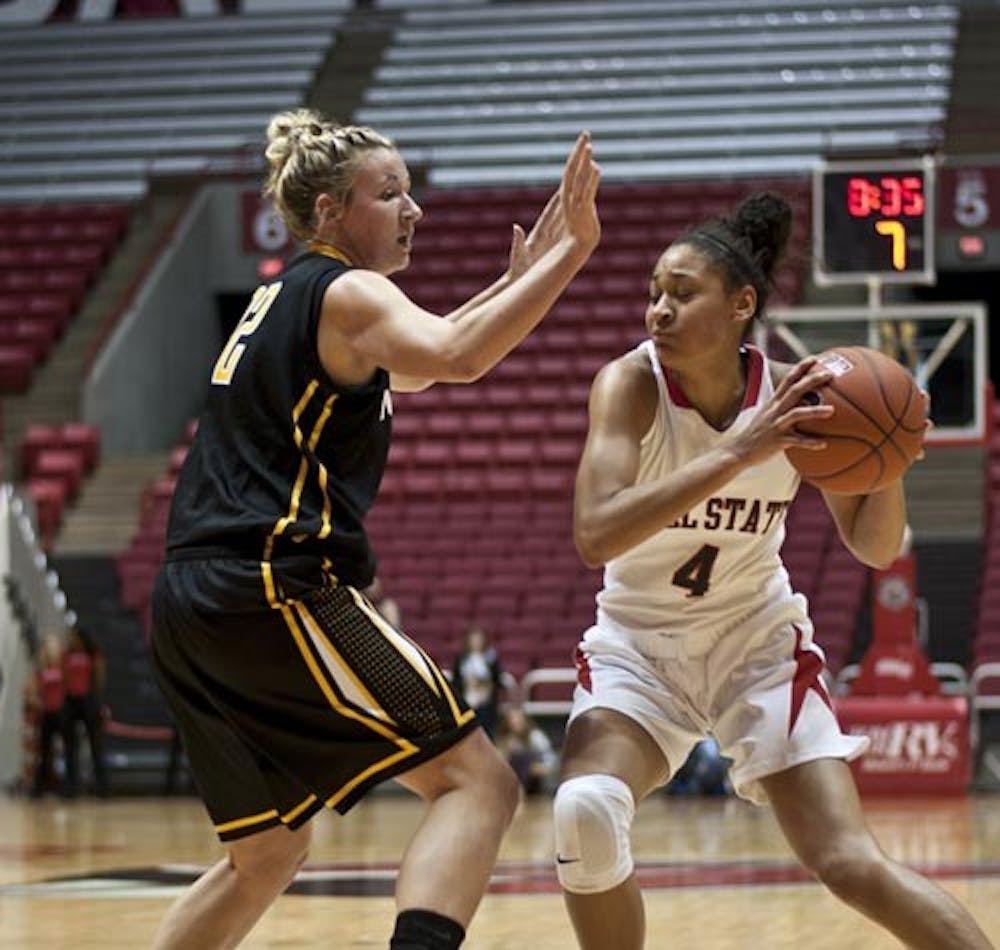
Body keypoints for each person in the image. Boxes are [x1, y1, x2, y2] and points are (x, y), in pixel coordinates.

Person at [149, 108, 600, 950]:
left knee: (267, 852)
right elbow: (458, 356)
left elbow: (425, 362)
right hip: (272, 583)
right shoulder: (349, 292)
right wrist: (571, 255)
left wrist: (518, 280)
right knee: (480, 785)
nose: (413, 209)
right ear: (327, 213)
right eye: (388, 192)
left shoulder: (282, 299)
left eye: (409, 190)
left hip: (189, 599)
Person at [553, 193, 992, 950]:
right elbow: (596, 533)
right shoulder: (629, 386)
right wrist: (737, 454)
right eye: (655, 291)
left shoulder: (801, 398)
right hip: (638, 645)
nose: (659, 309)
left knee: (849, 863)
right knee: (585, 811)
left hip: (754, 643)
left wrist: (885, 460)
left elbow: (876, 548)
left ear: (740, 305)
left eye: (682, 294)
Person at [62, 625, 110, 797]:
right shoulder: (66, 655)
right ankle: (71, 785)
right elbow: (63, 677)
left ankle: (102, 785)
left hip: (88, 700)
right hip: (70, 701)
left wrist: (98, 701)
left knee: (95, 744)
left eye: (74, 636)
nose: (71, 639)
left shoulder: (93, 654)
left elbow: (99, 678)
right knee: (70, 746)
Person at [29, 633, 68, 798]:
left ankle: (67, 786)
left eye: (54, 646)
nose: (51, 651)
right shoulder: (41, 670)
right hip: (46, 714)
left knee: (66, 751)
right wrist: (37, 701)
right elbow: (33, 691)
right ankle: (40, 787)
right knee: (44, 753)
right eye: (48, 647)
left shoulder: (64, 668)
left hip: (63, 714)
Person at [452, 624, 504, 739]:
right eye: (473, 640)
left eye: (478, 639)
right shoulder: (462, 659)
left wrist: (485, 686)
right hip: (466, 702)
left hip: (486, 704)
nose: (476, 642)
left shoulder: (491, 658)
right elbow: (456, 681)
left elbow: (498, 680)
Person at [496, 705, 556, 795]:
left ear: (525, 720)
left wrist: (542, 767)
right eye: (512, 719)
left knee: (524, 761)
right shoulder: (504, 738)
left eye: (518, 719)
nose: (515, 722)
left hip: (534, 781)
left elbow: (550, 759)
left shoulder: (536, 737)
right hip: (511, 779)